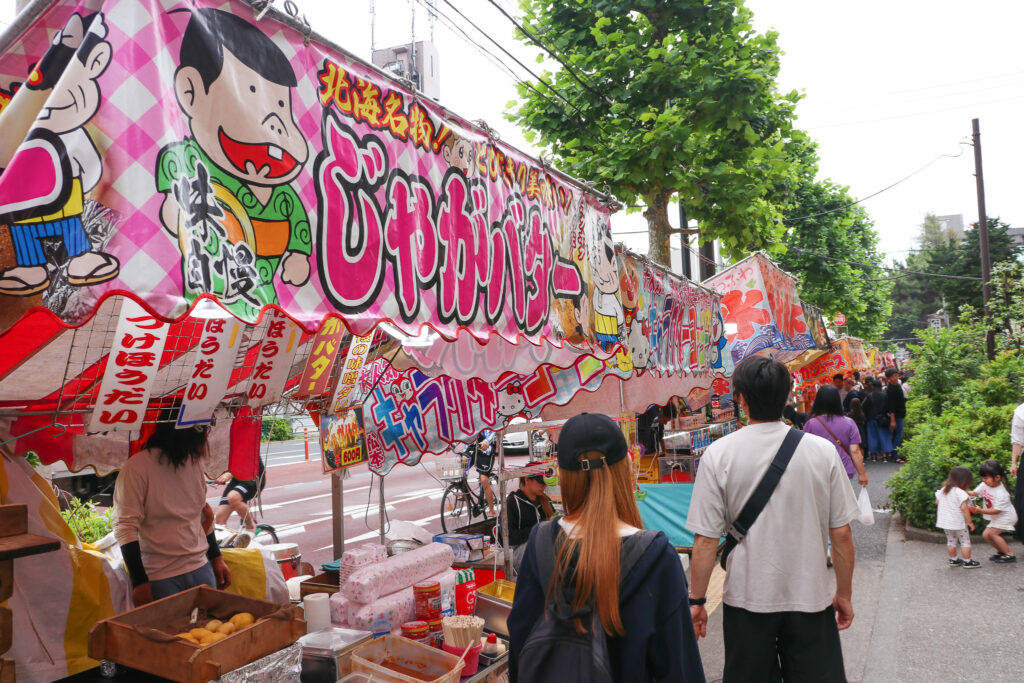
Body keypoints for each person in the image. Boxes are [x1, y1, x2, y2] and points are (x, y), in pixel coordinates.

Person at [687, 356, 859, 682]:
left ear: (740, 397)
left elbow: (706, 540)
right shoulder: (821, 452)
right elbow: (842, 534)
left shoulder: (718, 454)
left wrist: (697, 600)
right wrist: (844, 593)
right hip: (810, 599)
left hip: (746, 599)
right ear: (788, 394)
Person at [508, 412, 704, 682]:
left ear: (563, 476)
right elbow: (680, 670)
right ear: (625, 468)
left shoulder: (539, 544)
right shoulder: (657, 558)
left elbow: (520, 652)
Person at [114, 418, 231, 605]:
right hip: (160, 577)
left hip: (200, 567)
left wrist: (216, 558)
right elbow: (125, 527)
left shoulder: (193, 463)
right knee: (173, 634)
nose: (206, 438)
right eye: (204, 431)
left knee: (209, 631)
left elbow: (202, 513)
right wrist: (140, 582)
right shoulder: (137, 467)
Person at [803, 385, 868, 488]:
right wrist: (862, 474)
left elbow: (805, 451)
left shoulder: (811, 424)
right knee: (842, 502)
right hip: (844, 470)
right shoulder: (849, 423)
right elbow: (855, 450)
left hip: (819, 471)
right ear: (837, 401)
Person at [968, 460, 1018, 563]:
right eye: (983, 477)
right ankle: (1002, 552)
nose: (983, 480)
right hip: (998, 517)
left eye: (986, 478)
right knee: (986, 535)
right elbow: (974, 493)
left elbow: (997, 511)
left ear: (997, 477)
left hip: (1006, 517)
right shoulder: (985, 485)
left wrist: (980, 510)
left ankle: (1009, 554)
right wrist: (964, 493)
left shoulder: (1002, 494)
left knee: (992, 534)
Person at [503, 472, 554, 571]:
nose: (544, 486)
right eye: (540, 482)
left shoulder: (546, 500)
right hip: (518, 551)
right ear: (527, 479)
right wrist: (538, 530)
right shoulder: (512, 502)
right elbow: (510, 537)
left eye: (545, 483)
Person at [935, 466, 978, 568]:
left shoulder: (944, 489)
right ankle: (967, 561)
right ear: (964, 481)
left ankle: (953, 560)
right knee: (965, 541)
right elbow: (964, 509)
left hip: (945, 522)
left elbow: (937, 502)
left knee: (951, 541)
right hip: (959, 523)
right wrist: (970, 522)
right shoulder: (961, 493)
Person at [213, 455, 266, 532]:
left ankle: (250, 526)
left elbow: (243, 462)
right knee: (219, 520)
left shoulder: (246, 444)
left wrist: (226, 476)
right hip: (237, 479)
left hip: (253, 478)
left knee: (233, 497)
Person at [862, 378, 893, 462]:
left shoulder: (869, 396)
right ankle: (884, 456)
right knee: (884, 437)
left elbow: (863, 407)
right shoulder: (885, 395)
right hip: (883, 419)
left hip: (871, 419)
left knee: (872, 437)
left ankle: (874, 456)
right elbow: (889, 408)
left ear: (873, 386)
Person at [469, 430, 498, 517]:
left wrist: (486, 442)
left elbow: (493, 432)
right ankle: (462, 490)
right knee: (461, 464)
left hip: (486, 449)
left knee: (484, 479)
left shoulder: (488, 418)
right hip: (474, 447)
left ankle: (491, 510)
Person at [884, 368, 907, 462]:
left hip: (900, 414)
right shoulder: (890, 389)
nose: (895, 377)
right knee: (898, 435)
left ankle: (896, 453)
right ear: (888, 378)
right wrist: (893, 420)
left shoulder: (897, 385)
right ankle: (895, 455)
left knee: (898, 435)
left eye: (896, 375)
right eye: (893, 376)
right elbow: (891, 406)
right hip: (896, 416)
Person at [1011, 401, 1024, 542]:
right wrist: (1014, 463)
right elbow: (1018, 440)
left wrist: (1014, 463)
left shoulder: (1021, 411)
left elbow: (1018, 440)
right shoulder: (1021, 411)